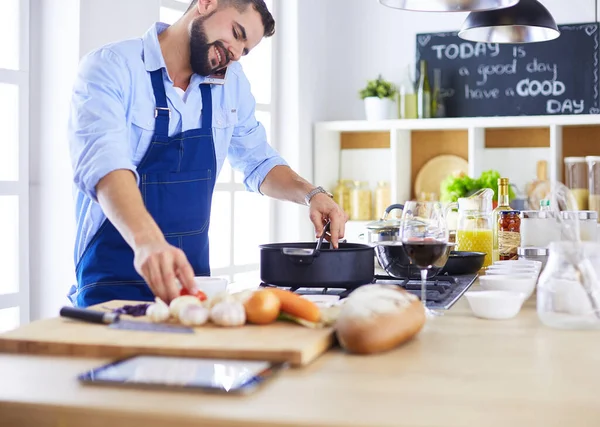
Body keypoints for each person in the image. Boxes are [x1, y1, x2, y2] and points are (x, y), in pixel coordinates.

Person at [67, 0, 347, 308]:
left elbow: (258, 161)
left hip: (190, 290)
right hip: (110, 287)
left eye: (245, 50)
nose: (236, 54)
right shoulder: (111, 67)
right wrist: (148, 242)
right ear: (206, 3)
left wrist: (313, 194)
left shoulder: (231, 83)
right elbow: (105, 166)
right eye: (236, 33)